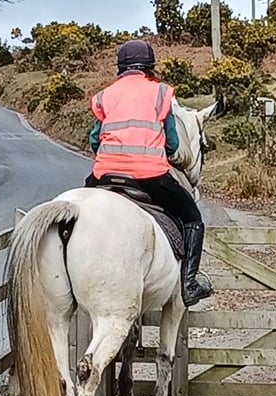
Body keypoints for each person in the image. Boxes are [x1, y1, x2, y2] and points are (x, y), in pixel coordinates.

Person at [84, 39, 212, 308]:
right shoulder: (161, 93)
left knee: (80, 208)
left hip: (104, 175)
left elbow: (94, 141)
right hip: (149, 176)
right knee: (192, 218)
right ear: (150, 66)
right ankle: (189, 285)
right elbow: (173, 144)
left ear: (121, 67)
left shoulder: (106, 95)